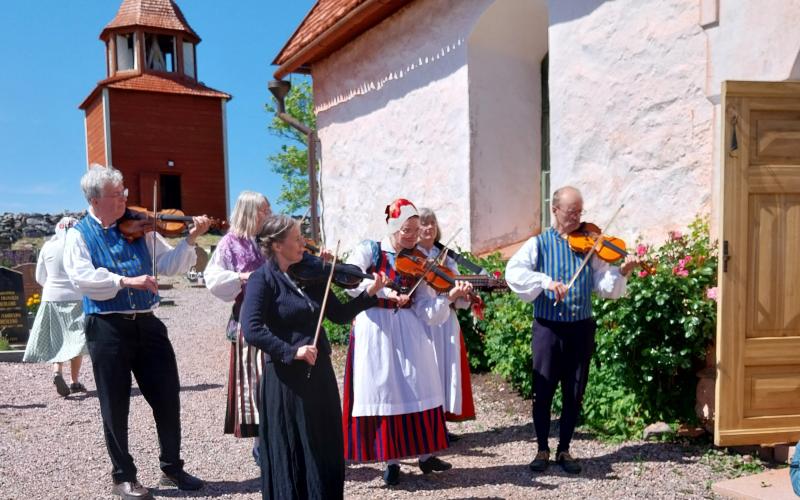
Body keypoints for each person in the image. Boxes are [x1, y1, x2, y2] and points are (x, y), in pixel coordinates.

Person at [63, 164, 210, 500]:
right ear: (95, 199)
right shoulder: (79, 234)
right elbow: (81, 279)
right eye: (117, 195)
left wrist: (190, 238)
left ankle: (172, 467)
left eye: (124, 193)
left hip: (147, 322)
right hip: (106, 325)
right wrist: (124, 281)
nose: (125, 200)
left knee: (167, 396)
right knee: (114, 404)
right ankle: (123, 476)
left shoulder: (142, 227)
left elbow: (170, 265)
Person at [240, 214, 388, 499]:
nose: (303, 244)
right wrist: (291, 351)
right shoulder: (262, 279)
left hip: (319, 373)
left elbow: (340, 315)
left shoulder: (313, 275)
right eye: (296, 239)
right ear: (277, 245)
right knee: (292, 448)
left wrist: (370, 292)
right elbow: (252, 328)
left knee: (323, 446)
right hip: (285, 380)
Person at [505, 186, 638, 474]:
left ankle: (565, 449)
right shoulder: (537, 243)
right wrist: (545, 282)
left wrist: (622, 273)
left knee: (574, 391)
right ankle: (542, 448)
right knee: (543, 389)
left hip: (581, 327)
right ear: (555, 210)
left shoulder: (591, 244)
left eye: (580, 211)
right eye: (571, 212)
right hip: (548, 328)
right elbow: (513, 273)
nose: (577, 218)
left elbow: (603, 285)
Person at [342, 198, 472, 486]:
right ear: (392, 227)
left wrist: (447, 298)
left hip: (410, 329)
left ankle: (426, 455)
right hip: (377, 329)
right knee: (387, 391)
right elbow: (349, 278)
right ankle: (392, 461)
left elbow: (426, 308)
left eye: (415, 230)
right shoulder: (370, 249)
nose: (412, 236)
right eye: (406, 230)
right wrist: (380, 290)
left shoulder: (419, 261)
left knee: (422, 384)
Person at [204, 191, 271, 465]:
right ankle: (260, 443)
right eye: (264, 211)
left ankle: (278, 437)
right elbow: (213, 279)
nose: (268, 215)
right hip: (250, 319)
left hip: (278, 319)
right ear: (251, 212)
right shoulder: (231, 243)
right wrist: (243, 276)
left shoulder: (268, 240)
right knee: (256, 382)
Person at [416, 207, 476, 431]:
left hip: (446, 322)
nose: (429, 227)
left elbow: (456, 287)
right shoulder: (412, 257)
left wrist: (465, 293)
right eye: (423, 223)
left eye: (431, 222)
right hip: (424, 321)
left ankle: (441, 425)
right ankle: (425, 425)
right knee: (427, 371)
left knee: (446, 370)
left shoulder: (446, 256)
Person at [23, 216, 87, 397]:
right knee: (76, 341)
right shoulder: (79, 246)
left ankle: (57, 372)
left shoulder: (48, 246)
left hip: (51, 296)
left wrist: (51, 289)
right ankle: (74, 381)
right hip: (76, 297)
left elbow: (39, 276)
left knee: (56, 338)